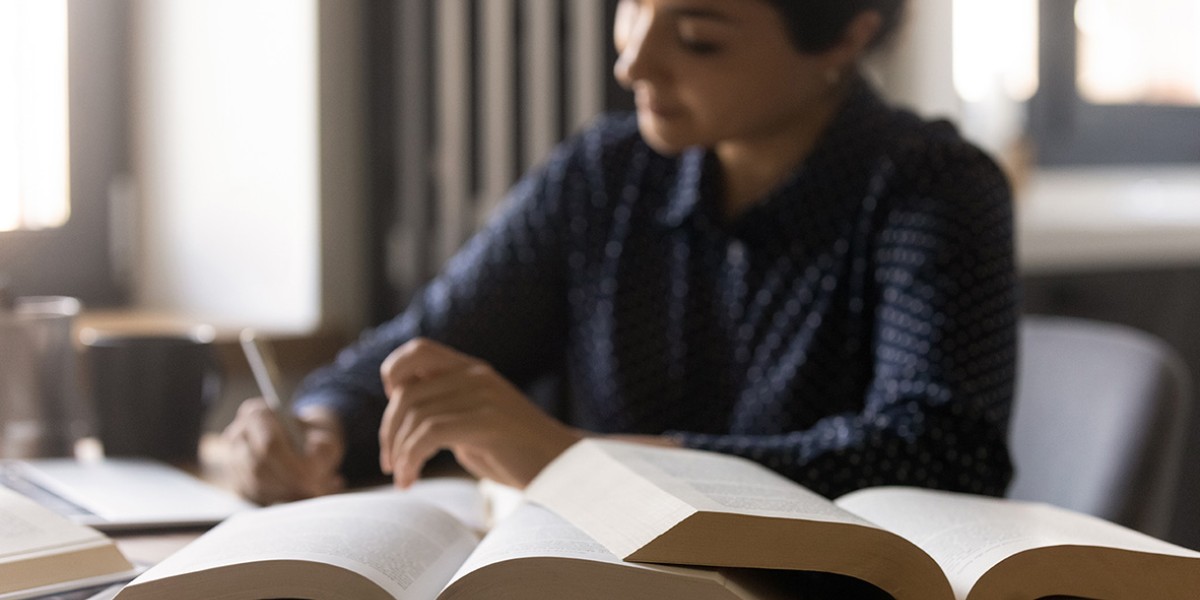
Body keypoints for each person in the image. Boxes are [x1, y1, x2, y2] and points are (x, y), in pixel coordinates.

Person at [222, 0, 1018, 506]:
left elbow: (940, 454)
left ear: (847, 35)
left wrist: (577, 462)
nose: (631, 60)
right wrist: (316, 428)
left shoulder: (934, 188)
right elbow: (424, 345)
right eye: (633, 4)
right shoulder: (605, 176)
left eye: (699, 37)